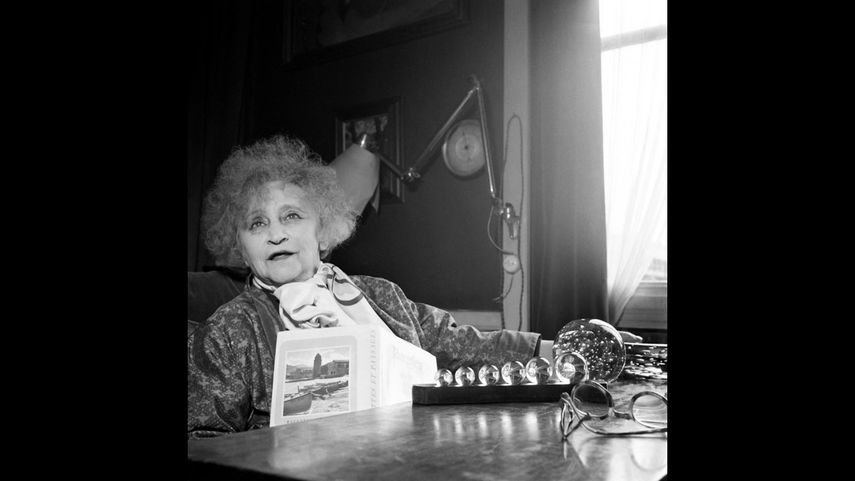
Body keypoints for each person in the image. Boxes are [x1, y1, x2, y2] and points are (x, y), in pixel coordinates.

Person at [188, 135, 543, 438]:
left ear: (323, 232)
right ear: (242, 250)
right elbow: (205, 442)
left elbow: (460, 345)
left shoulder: (380, 294)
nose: (276, 234)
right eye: (257, 223)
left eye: (292, 216)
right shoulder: (230, 329)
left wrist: (550, 351)